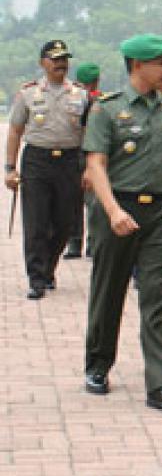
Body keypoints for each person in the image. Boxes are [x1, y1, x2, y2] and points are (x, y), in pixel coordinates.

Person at [82, 33, 162, 413]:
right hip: (117, 210)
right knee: (108, 291)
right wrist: (112, 211)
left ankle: (161, 385)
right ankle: (97, 365)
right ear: (137, 66)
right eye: (160, 63)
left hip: (158, 213)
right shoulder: (106, 110)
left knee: (156, 297)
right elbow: (95, 165)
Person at [5, 40, 88, 299]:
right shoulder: (28, 94)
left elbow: (87, 134)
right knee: (37, 222)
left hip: (69, 161)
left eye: (64, 59)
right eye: (55, 59)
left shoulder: (80, 94)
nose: (61, 64)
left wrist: (88, 169)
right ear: (43, 63)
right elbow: (15, 131)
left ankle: (49, 266)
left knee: (64, 223)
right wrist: (9, 167)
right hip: (37, 161)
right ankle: (37, 278)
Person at [65, 62, 103, 259]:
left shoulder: (71, 98)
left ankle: (75, 243)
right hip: (90, 154)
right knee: (92, 202)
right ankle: (91, 243)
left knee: (76, 201)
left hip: (75, 152)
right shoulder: (101, 101)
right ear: (97, 81)